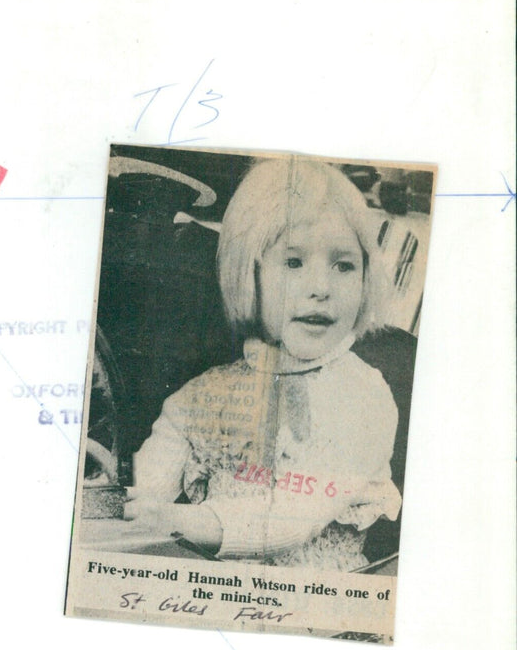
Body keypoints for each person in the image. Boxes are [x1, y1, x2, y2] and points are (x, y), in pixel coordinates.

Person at [123, 155, 402, 570]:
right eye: (293, 262)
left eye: (344, 265)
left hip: (321, 613)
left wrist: (174, 518)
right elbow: (142, 496)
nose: (320, 288)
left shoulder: (364, 397)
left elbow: (291, 521)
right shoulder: (203, 395)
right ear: (248, 273)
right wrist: (141, 504)